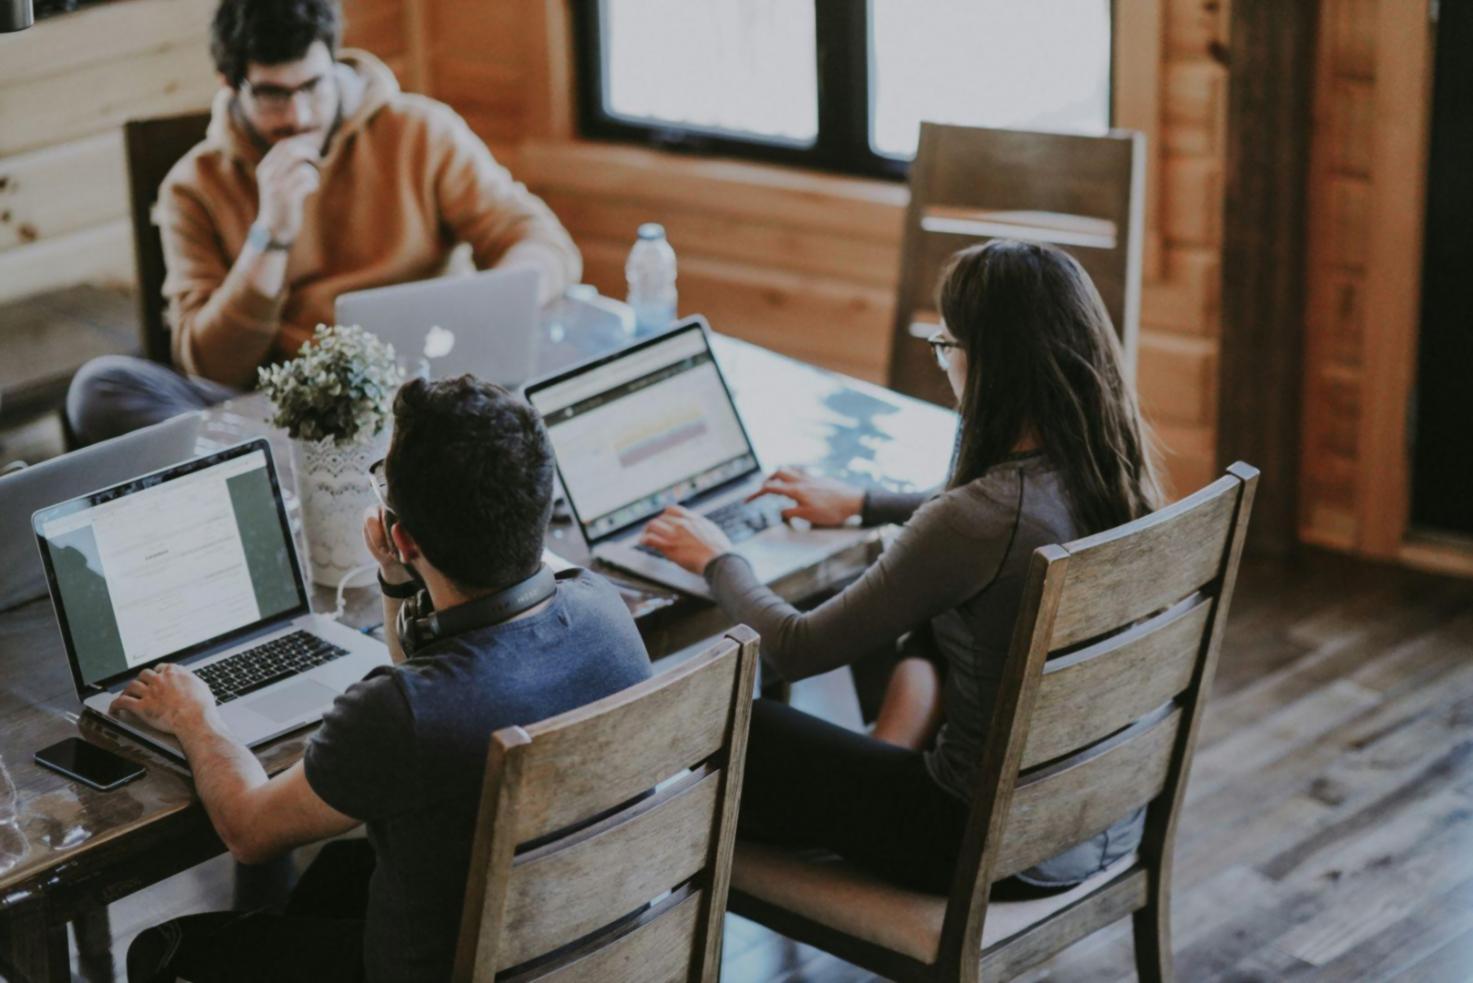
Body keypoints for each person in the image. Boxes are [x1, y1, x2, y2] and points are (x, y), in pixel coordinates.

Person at [641, 239, 1163, 896]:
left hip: (976, 841)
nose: (943, 363)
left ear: (987, 363)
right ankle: (878, 764)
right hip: (1098, 818)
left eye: (946, 346)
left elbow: (799, 647)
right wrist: (863, 503)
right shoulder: (1110, 471)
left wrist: (717, 556)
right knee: (938, 617)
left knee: (750, 725)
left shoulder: (978, 520)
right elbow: (982, 525)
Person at [121, 376, 652, 982]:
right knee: (333, 878)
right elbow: (435, 693)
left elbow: (247, 829)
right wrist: (399, 581)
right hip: (588, 947)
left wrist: (195, 716)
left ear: (404, 536)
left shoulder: (401, 712)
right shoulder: (605, 609)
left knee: (160, 950)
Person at [68, 0, 581, 446]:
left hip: (426, 392)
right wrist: (270, 235)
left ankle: (310, 476)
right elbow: (209, 366)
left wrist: (494, 307)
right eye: (272, 94)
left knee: (575, 354)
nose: (298, 114)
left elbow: (541, 242)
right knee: (100, 388)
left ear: (333, 60)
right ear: (231, 84)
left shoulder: (421, 131)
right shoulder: (193, 187)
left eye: (313, 85)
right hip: (283, 413)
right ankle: (307, 473)